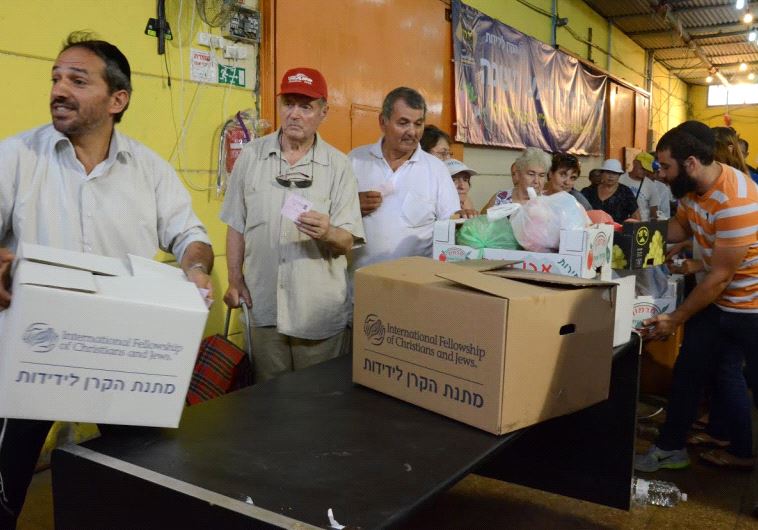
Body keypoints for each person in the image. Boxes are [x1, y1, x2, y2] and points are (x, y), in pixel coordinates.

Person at [0, 32, 214, 529]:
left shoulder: (149, 170)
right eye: (55, 77)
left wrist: (196, 266)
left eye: (77, 79)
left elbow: (191, 234)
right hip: (33, 352)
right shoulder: (15, 158)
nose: (59, 89)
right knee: (6, 491)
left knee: (140, 482)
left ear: (118, 100)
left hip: (120, 357)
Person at [220, 67, 364, 383]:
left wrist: (327, 232)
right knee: (268, 405)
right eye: (288, 103)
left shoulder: (338, 166)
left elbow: (347, 241)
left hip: (318, 313)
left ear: (323, 112)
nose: (294, 114)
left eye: (305, 106)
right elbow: (235, 224)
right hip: (264, 305)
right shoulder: (251, 156)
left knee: (319, 404)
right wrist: (234, 280)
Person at [634, 121, 758, 473]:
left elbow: (719, 277)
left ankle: (741, 450)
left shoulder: (736, 200)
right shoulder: (692, 191)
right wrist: (637, 234)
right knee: (690, 371)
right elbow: (680, 228)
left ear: (690, 163)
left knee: (739, 377)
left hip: (750, 308)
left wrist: (675, 318)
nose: (661, 174)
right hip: (718, 302)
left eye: (666, 167)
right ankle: (672, 447)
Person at [349, 87, 469, 271]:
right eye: (403, 123)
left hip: (414, 287)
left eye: (418, 124)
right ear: (383, 121)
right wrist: (351, 206)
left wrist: (466, 220)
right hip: (361, 284)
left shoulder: (437, 170)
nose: (412, 132)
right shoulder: (355, 161)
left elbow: (450, 224)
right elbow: (330, 217)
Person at [481, 147, 551, 211]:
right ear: (518, 174)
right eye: (531, 174)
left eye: (541, 175)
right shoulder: (501, 198)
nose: (536, 181)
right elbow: (481, 223)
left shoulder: (548, 204)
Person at [619, 152, 660, 221]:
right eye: (642, 168)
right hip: (621, 223)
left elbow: (654, 211)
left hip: (641, 226)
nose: (645, 172)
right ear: (634, 163)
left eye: (647, 170)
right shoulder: (620, 179)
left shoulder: (651, 185)